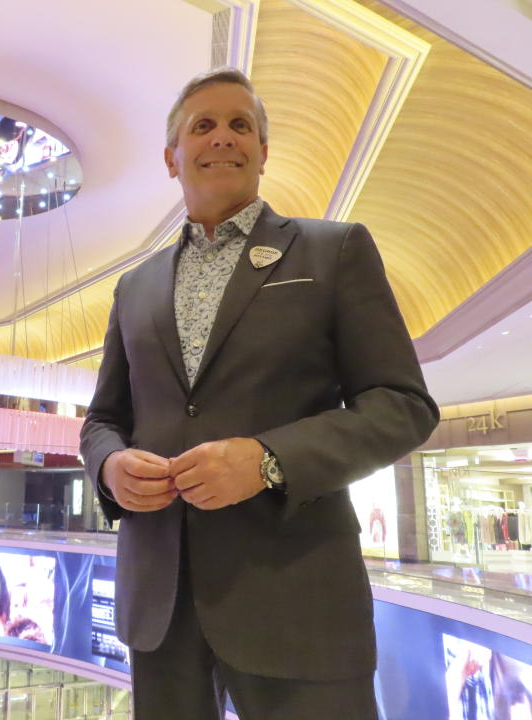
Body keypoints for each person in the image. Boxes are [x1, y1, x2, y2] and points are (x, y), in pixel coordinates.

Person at [79, 67, 439, 720]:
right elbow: (104, 419)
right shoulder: (134, 287)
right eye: (203, 125)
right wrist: (108, 466)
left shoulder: (334, 252)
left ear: (263, 152)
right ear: (172, 158)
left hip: (296, 604)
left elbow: (402, 404)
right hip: (159, 609)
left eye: (240, 125)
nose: (223, 137)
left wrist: (268, 459)